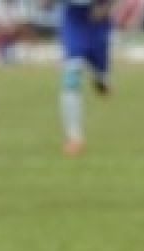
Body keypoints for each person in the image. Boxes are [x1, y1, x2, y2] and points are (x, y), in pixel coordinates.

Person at [46, 0, 115, 155]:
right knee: (71, 77)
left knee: (102, 78)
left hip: (97, 23)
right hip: (74, 22)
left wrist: (106, 7)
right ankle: (75, 138)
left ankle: (101, 80)